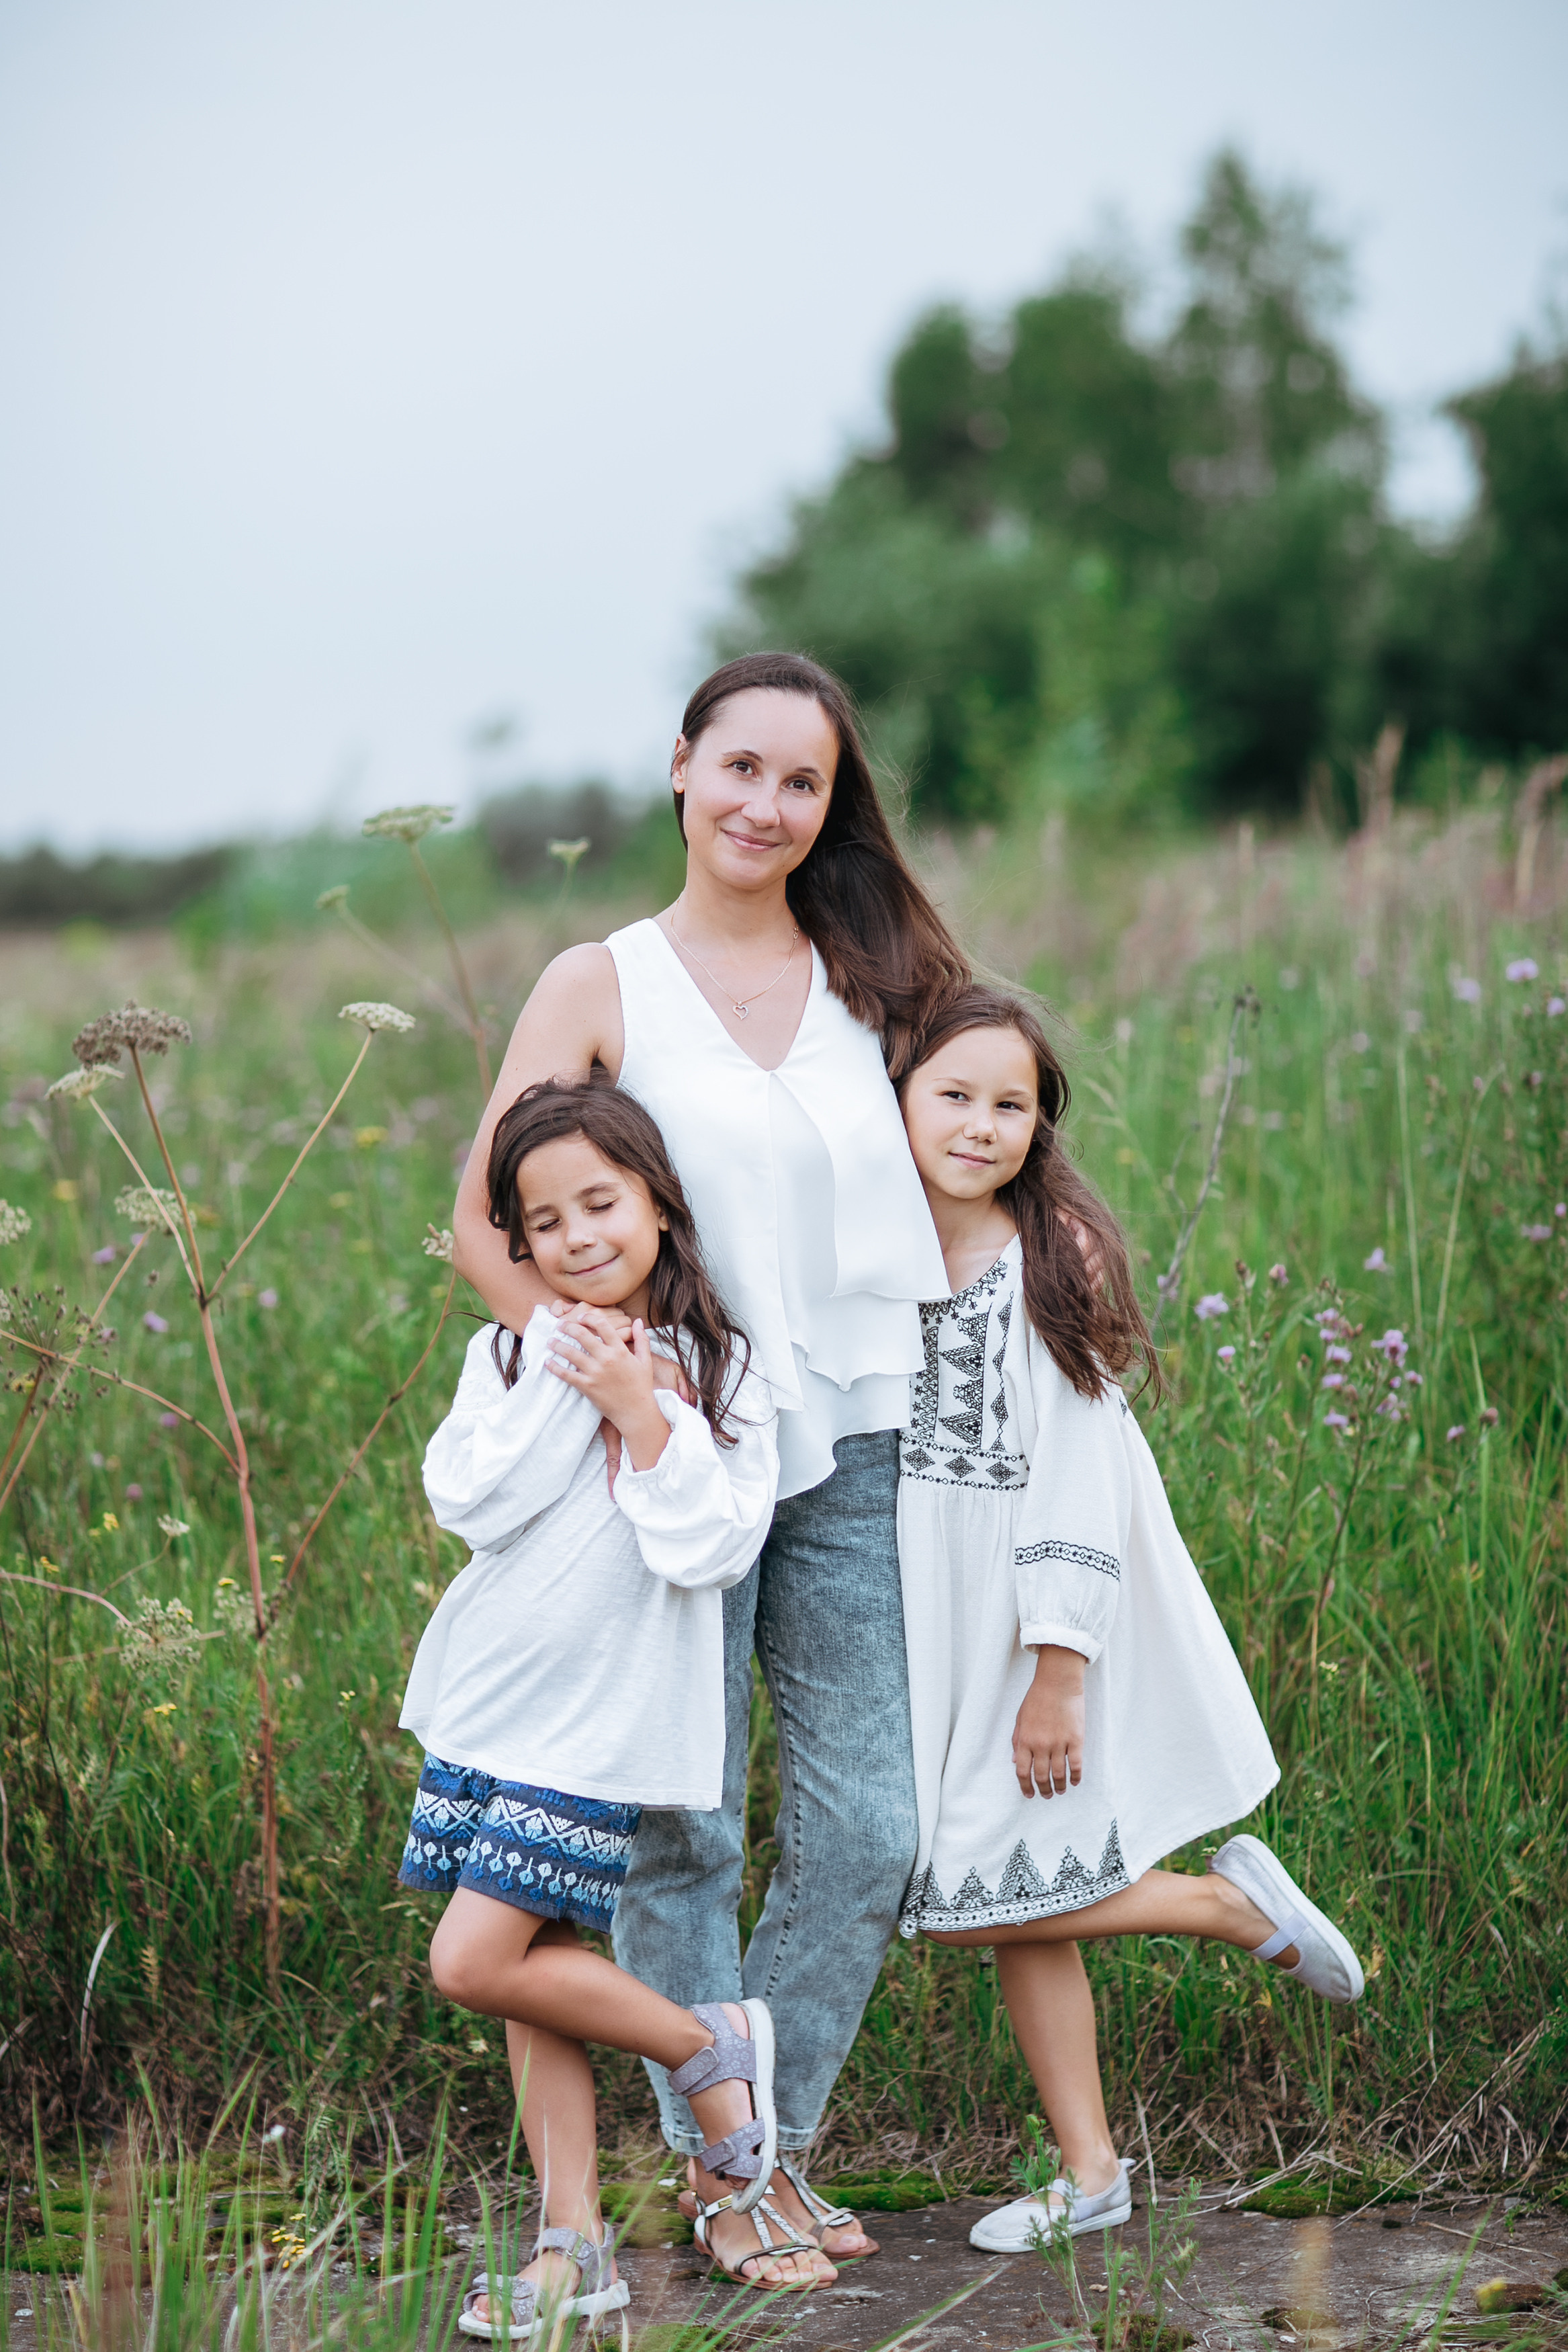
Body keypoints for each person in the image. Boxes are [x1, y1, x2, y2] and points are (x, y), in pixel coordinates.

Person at [451, 652, 968, 2283]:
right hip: (671, 1444)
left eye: (801, 782)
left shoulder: (872, 974)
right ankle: (731, 2179)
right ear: (681, 770)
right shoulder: (601, 978)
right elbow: (488, 1216)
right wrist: (598, 1378)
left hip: (854, 1434)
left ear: (831, 808)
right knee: (682, 1827)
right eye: (738, 767)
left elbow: (984, 1138)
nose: (765, 805)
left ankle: (769, 2136)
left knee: (871, 1827)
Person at [894, 984, 1365, 2253]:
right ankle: (1091, 2171)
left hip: (1034, 1621)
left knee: (979, 1891)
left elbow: (1079, 1480)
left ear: (1040, 1126)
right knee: (1005, 1890)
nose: (982, 1124)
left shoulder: (1044, 1266)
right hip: (934, 1631)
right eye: (954, 1094)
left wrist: (1059, 1668)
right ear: (895, 1096)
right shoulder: (873, 1255)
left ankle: (1221, 1910)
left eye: (1013, 1104)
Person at [400, 1078, 821, 2328]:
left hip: (599, 1722)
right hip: (494, 1702)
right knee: (535, 1965)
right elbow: (470, 1504)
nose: (580, 1236)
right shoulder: (507, 1353)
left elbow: (710, 1548)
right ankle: (573, 2245)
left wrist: (641, 1413)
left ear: (657, 1203)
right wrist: (560, 1382)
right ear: (517, 1245)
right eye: (546, 1220)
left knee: (471, 1962)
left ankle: (704, 2051)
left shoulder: (724, 1366)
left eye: (603, 1202)